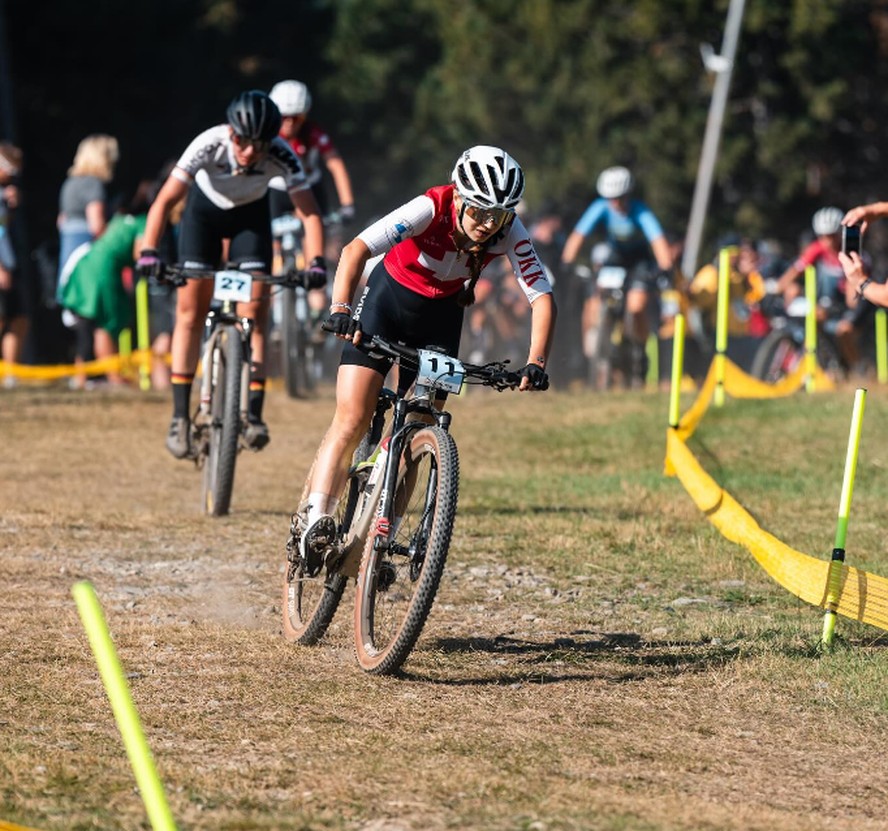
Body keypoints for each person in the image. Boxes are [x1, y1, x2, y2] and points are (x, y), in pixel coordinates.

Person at [298, 145, 555, 570]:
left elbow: (541, 296)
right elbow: (354, 251)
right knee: (352, 415)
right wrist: (341, 309)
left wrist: (537, 361)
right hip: (386, 304)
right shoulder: (428, 206)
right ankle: (316, 517)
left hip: (442, 322)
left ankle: (383, 539)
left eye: (500, 216)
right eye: (479, 212)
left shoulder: (509, 230)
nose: (488, 224)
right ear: (458, 197)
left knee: (421, 429)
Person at [136, 90, 326, 459]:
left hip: (249, 222)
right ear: (230, 132)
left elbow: (310, 214)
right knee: (190, 312)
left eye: (260, 144)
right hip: (203, 216)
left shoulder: (281, 155)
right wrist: (148, 251)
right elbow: (164, 201)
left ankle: (253, 413)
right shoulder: (208, 144)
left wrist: (316, 261)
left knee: (255, 313)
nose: (250, 151)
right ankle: (179, 417)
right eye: (242, 140)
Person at [560, 166, 674, 387]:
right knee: (594, 300)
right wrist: (567, 262)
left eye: (619, 199)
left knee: (636, 305)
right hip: (615, 259)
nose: (615, 204)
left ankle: (640, 349)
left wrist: (666, 267)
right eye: (610, 199)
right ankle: (596, 353)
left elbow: (658, 241)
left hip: (639, 262)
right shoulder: (600, 208)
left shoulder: (640, 211)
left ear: (628, 195)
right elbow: (578, 235)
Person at [60, 181, 155, 388]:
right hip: (104, 271)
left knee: (87, 323)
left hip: (84, 264)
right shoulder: (143, 222)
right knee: (106, 324)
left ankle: (82, 377)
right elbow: (141, 254)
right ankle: (112, 376)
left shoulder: (119, 219)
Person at [775, 207, 859, 368]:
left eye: (831, 236)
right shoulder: (816, 249)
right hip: (821, 302)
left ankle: (854, 368)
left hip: (843, 304)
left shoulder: (851, 251)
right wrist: (778, 288)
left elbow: (853, 291)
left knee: (844, 331)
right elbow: (795, 271)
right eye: (822, 236)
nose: (827, 241)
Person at [268, 80, 355, 221]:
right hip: (277, 191)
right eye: (283, 117)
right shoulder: (268, 136)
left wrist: (347, 204)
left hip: (310, 188)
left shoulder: (313, 133)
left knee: (319, 233)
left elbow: (336, 165)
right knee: (273, 241)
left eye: (296, 118)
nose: (289, 123)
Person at [56, 134, 118, 303]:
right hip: (87, 254)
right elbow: (96, 225)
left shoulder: (70, 183)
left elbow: (61, 221)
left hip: (69, 252)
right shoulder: (93, 184)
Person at [688, 236, 769, 340]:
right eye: (739, 254)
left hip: (740, 334)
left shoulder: (739, 277)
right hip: (720, 335)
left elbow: (757, 295)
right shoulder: (712, 273)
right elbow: (699, 301)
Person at [0, 143, 28, 388]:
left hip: (9, 263)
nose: (12, 175)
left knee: (18, 319)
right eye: (10, 169)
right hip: (2, 267)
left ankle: (10, 375)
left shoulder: (6, 193)